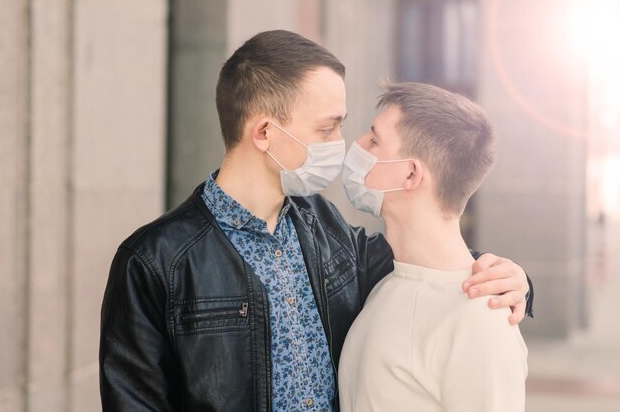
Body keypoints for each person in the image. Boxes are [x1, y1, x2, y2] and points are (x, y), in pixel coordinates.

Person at [99, 30, 533, 411]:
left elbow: (427, 263)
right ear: (265, 133)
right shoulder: (155, 262)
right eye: (328, 129)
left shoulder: (325, 227)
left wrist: (516, 280)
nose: (343, 146)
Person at [338, 82, 528, 412]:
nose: (358, 145)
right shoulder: (385, 284)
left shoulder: (479, 323)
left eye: (374, 140)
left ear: (411, 173)